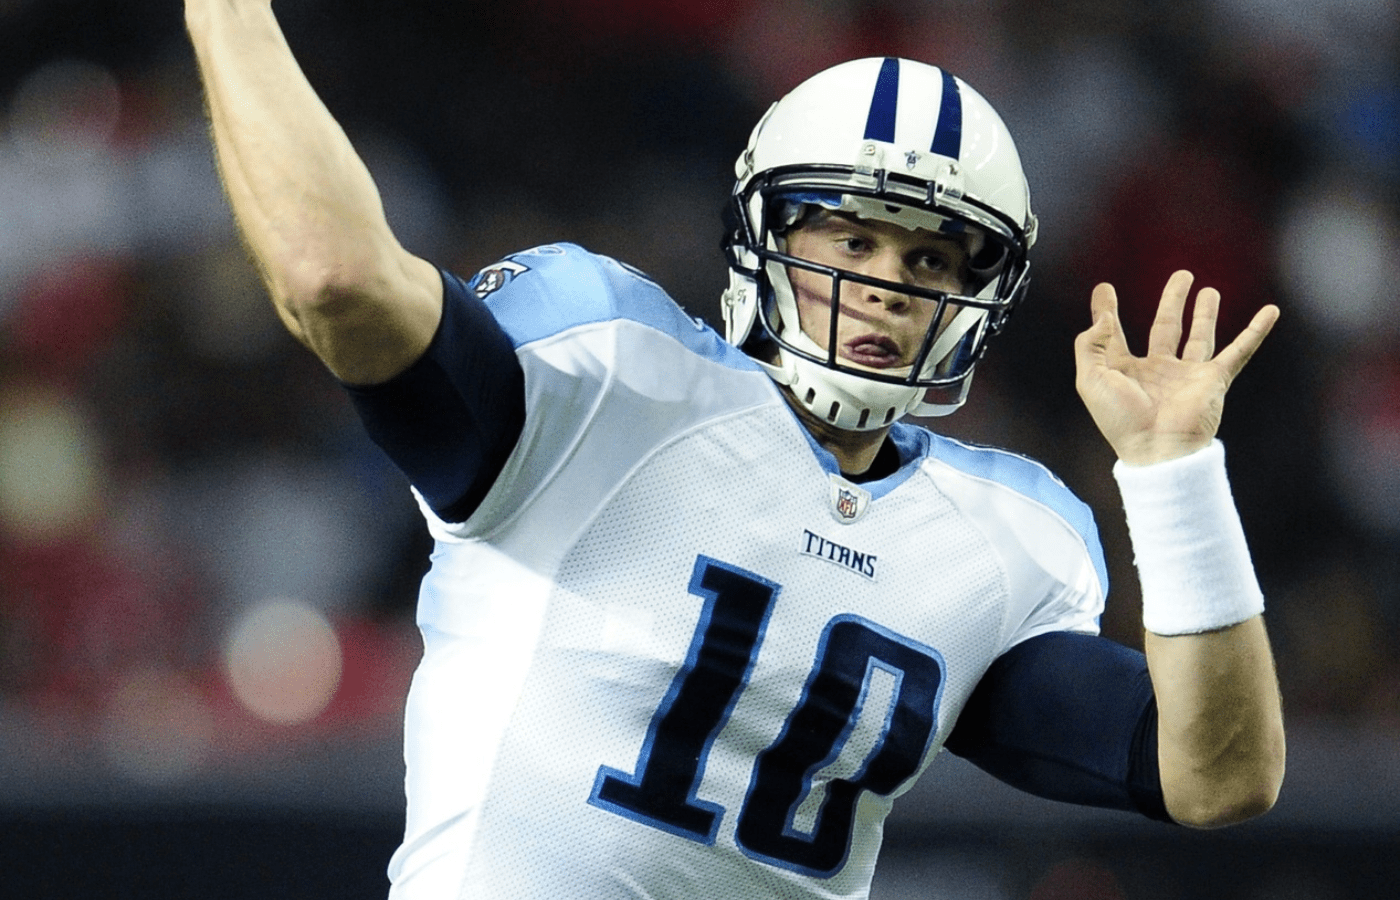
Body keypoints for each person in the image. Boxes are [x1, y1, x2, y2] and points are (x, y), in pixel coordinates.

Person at [186, 3, 1286, 898]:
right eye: (850, 235)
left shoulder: (1004, 535)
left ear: (977, 297)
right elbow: (335, 278)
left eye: (929, 261)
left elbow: (1218, 775)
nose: (885, 289)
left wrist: (1175, 475)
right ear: (764, 232)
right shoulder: (607, 372)